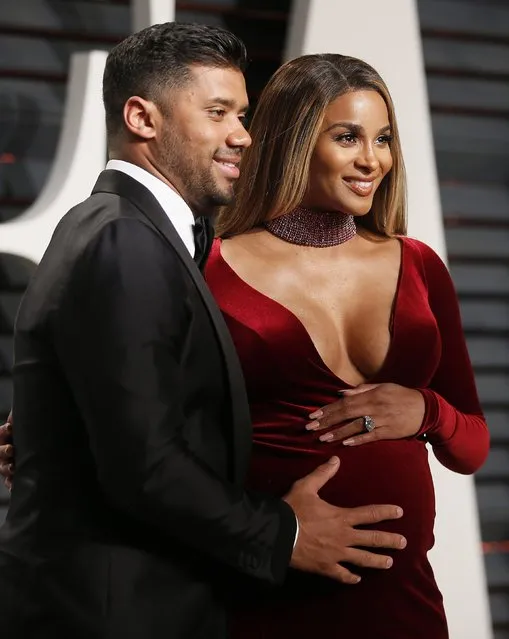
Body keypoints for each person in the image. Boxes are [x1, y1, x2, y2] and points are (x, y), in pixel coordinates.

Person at [0, 25, 407, 639]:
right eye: (218, 113)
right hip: (115, 613)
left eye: (242, 115)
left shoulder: (145, 234)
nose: (242, 136)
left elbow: (131, 414)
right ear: (142, 118)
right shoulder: (122, 239)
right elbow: (145, 465)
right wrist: (286, 533)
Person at [205, 53, 490, 638]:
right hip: (267, 591)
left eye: (383, 138)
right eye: (347, 137)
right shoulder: (210, 266)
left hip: (401, 600)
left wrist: (428, 410)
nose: (372, 159)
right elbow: (153, 431)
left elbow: (472, 448)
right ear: (292, 142)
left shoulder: (418, 265)